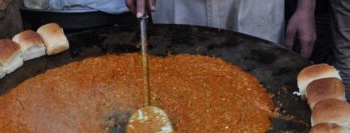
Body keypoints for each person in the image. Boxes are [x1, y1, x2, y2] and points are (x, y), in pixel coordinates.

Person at [126, 0, 316, 59]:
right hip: (180, 4)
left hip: (256, 6)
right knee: (178, 86)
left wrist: (306, 7)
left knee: (262, 90)